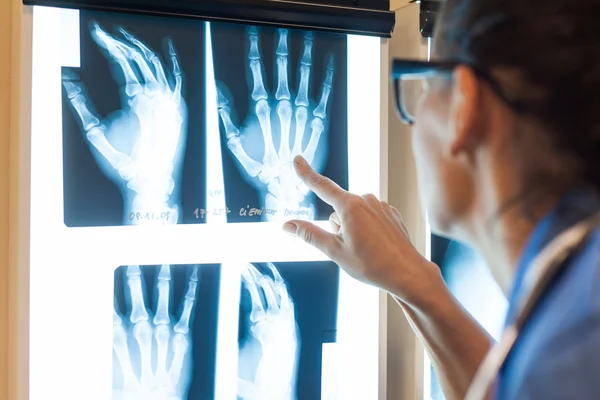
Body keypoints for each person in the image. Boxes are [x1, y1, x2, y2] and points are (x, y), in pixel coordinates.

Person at [282, 0, 600, 399]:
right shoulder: (578, 289)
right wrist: (413, 283)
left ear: (465, 106)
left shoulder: (569, 352)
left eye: (425, 85)